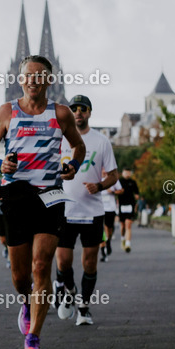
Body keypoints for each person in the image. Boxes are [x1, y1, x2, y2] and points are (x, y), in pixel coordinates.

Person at [0, 55, 85, 349]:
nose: (33, 81)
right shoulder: (7, 111)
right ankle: (26, 302)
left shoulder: (61, 113)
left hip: (50, 196)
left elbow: (79, 146)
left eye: (40, 76)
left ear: (49, 80)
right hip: (16, 197)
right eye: (28, 76)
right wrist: (1, 164)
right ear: (20, 79)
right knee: (20, 276)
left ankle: (33, 339)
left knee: (42, 266)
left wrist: (73, 165)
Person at [53, 96, 119, 326]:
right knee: (62, 263)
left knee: (90, 263)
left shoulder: (101, 141)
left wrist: (100, 186)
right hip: (64, 210)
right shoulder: (59, 139)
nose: (78, 112)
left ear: (90, 113)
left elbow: (114, 174)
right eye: (74, 109)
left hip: (92, 212)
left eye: (83, 109)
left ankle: (84, 307)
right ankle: (69, 291)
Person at [117, 168, 141, 252]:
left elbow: (137, 194)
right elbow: (114, 191)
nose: (127, 174)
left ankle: (128, 244)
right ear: (123, 173)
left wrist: (136, 197)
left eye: (129, 172)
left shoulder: (133, 182)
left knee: (128, 225)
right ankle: (123, 238)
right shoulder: (119, 182)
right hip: (122, 205)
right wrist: (119, 192)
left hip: (130, 205)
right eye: (126, 172)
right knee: (123, 225)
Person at [99, 178, 123, 261]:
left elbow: (121, 190)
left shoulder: (112, 178)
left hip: (110, 208)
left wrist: (112, 192)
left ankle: (108, 241)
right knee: (100, 230)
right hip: (98, 208)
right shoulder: (95, 176)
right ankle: (103, 252)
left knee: (108, 228)